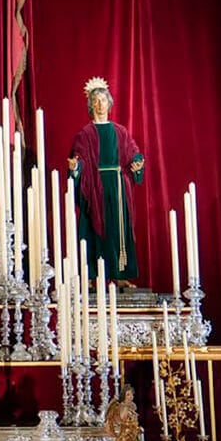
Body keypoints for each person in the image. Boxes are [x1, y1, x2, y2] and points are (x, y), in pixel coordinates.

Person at [68, 77, 144, 285]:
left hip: (118, 188)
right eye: (96, 101)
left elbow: (133, 153)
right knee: (93, 229)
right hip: (95, 187)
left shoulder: (120, 131)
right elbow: (80, 159)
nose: (100, 104)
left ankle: (120, 275)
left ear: (109, 104)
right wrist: (76, 167)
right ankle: (92, 276)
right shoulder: (85, 134)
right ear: (91, 105)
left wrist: (137, 163)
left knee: (118, 230)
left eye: (103, 100)